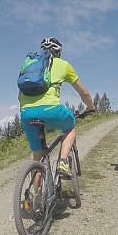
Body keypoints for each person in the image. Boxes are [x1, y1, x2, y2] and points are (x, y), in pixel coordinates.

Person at [18, 37, 95, 177]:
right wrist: (90, 107)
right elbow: (83, 93)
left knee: (38, 158)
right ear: (59, 52)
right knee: (70, 125)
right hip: (50, 110)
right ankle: (63, 161)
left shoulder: (29, 65)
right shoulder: (63, 65)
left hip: (26, 113)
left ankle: (38, 197)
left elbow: (19, 97)